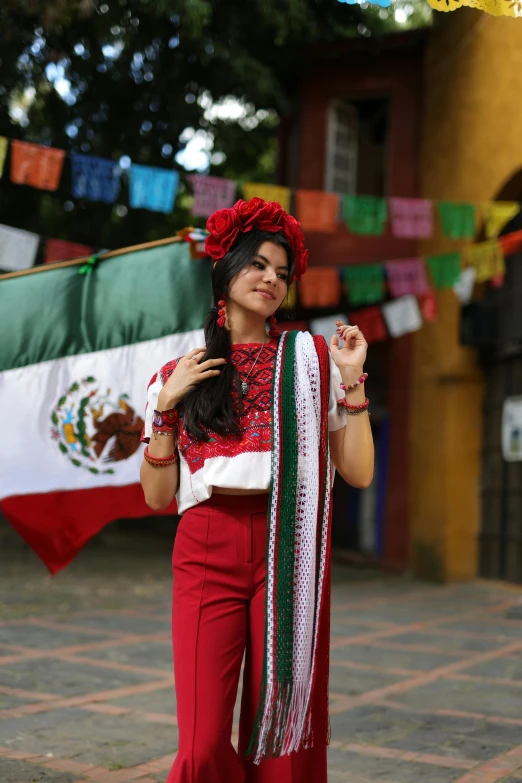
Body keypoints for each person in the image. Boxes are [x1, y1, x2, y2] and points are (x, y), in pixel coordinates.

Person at [140, 197, 374, 783]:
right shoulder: (177, 376)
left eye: (282, 272)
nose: (273, 279)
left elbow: (360, 472)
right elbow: (155, 495)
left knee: (282, 740)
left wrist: (350, 381)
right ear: (226, 271)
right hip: (205, 546)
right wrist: (166, 410)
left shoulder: (311, 362)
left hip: (287, 547)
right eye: (260, 265)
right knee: (201, 742)